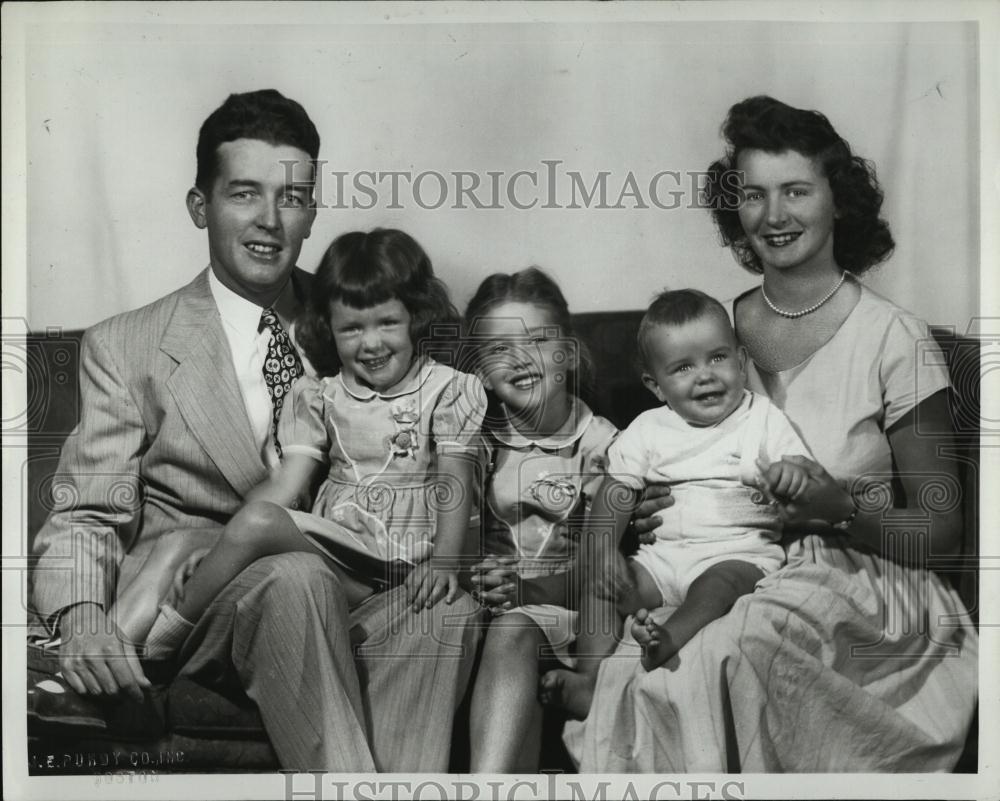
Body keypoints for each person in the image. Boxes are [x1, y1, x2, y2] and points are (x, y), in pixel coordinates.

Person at [29, 90, 484, 772]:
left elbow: (449, 446)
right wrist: (82, 616)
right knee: (295, 577)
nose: (271, 221)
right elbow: (85, 512)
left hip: (359, 580)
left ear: (312, 211)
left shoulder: (358, 318)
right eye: (245, 194)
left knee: (450, 616)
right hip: (209, 599)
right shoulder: (125, 347)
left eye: (292, 198)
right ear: (199, 206)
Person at [562, 95, 978, 771]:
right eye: (754, 195)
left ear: (838, 200)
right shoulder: (708, 338)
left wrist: (840, 509)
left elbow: (941, 529)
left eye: (796, 191)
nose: (774, 215)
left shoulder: (894, 338)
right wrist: (640, 509)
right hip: (720, 565)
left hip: (859, 585)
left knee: (724, 645)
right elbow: (656, 463)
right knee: (690, 639)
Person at [108, 228, 486, 658]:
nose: (371, 343)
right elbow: (288, 485)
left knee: (252, 528)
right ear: (329, 329)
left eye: (387, 323)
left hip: (405, 565)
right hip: (342, 557)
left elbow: (455, 483)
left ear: (416, 317)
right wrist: (223, 549)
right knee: (214, 534)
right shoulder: (321, 395)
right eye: (352, 329)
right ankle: (120, 649)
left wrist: (445, 562)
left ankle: (160, 649)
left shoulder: (447, 389)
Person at [539, 288, 813, 720]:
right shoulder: (649, 429)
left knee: (719, 585)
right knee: (602, 583)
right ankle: (590, 681)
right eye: (683, 367)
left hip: (738, 553)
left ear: (741, 362)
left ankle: (669, 637)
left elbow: (798, 467)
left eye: (717, 358)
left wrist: (792, 472)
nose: (705, 375)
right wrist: (603, 551)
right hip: (662, 560)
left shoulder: (761, 418)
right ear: (656, 385)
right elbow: (615, 492)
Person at [463, 268, 618, 772]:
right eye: (499, 349)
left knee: (513, 630)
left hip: (561, 610)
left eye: (538, 340)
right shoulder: (473, 440)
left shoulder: (602, 446)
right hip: (479, 608)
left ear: (568, 354)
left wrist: (525, 595)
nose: (520, 358)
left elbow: (599, 569)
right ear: (481, 372)